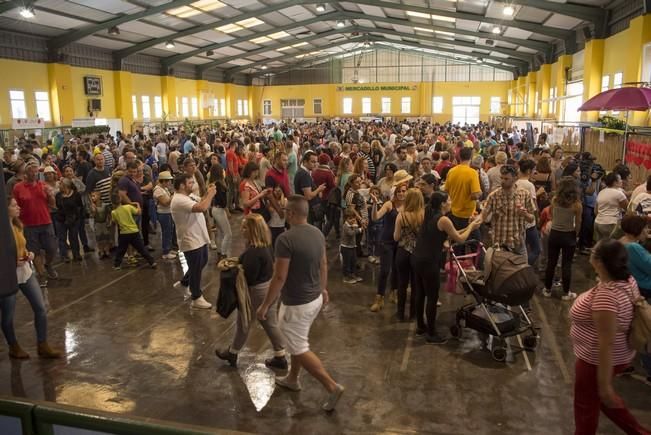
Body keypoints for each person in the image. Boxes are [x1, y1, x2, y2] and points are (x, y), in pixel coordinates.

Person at [256, 195, 344, 412]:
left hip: (296, 304)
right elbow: (323, 264)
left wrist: (265, 305)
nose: (284, 213)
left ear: (292, 213)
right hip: (314, 299)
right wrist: (322, 289)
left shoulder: (285, 239)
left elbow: (279, 277)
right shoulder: (317, 233)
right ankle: (293, 379)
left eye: (286, 210)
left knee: (299, 347)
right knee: (297, 342)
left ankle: (332, 387)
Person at [570, 239, 650, 435]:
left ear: (599, 261)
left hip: (595, 360)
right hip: (618, 355)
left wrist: (605, 384)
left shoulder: (607, 296)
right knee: (601, 400)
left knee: (585, 409)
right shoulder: (627, 280)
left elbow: (605, 343)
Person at [216, 214, 287, 370]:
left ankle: (233, 353)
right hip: (270, 287)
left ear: (253, 230)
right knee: (270, 324)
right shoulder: (266, 246)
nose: (241, 230)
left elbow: (248, 277)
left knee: (244, 322)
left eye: (244, 227)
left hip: (257, 292)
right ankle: (280, 356)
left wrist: (233, 269)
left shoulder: (253, 252)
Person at [412, 192, 482, 343]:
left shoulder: (431, 215)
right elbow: (460, 239)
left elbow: (451, 235)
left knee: (420, 294)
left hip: (417, 258)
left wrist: (468, 227)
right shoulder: (444, 219)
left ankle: (421, 326)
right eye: (449, 199)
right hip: (429, 261)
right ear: (443, 203)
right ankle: (431, 333)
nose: (451, 201)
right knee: (432, 297)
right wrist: (472, 226)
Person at [3, 198, 61, 359]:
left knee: (40, 308)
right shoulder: (3, 229)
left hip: (25, 272)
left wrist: (30, 254)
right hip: (8, 275)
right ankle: (13, 345)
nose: (18, 208)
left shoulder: (17, 225)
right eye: (14, 205)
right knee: (8, 316)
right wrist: (9, 261)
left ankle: (42, 344)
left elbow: (22, 246)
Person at [170, 173, 216, 309]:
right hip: (190, 239)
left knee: (202, 261)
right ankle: (196, 297)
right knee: (196, 267)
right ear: (182, 185)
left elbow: (201, 200)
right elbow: (202, 207)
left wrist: (208, 192)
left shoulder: (187, 196)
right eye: (190, 183)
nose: (193, 185)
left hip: (198, 236)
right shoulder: (178, 199)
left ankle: (184, 283)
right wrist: (211, 195)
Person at [12, 160, 58, 287]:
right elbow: (15, 206)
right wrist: (17, 223)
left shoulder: (43, 186)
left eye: (35, 171)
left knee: (52, 248)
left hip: (45, 221)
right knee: (35, 251)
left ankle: (48, 264)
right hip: (28, 225)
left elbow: (53, 205)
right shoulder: (18, 188)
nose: (34, 174)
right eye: (31, 171)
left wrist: (51, 196)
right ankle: (41, 274)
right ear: (25, 173)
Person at [368, 174, 410, 312]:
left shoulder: (408, 206)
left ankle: (394, 293)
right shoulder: (388, 204)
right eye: (399, 191)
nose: (402, 193)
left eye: (404, 191)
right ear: (394, 192)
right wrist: (374, 203)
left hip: (401, 242)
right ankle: (379, 298)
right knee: (385, 270)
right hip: (387, 242)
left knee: (397, 269)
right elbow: (375, 217)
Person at [481, 165, 536, 256]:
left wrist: (525, 214)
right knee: (499, 269)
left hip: (518, 243)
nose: (502, 181)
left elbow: (532, 219)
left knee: (523, 269)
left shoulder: (524, 194)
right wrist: (475, 220)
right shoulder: (494, 196)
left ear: (515, 178)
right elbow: (483, 216)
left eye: (506, 179)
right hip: (500, 245)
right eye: (501, 178)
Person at [543, 177, 582, 301]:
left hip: (555, 234)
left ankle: (547, 289)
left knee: (551, 263)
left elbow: (553, 215)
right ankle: (566, 293)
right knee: (566, 264)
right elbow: (579, 222)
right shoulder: (577, 205)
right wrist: (576, 234)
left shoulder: (555, 200)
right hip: (569, 234)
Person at [393, 188, 424, 321]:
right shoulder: (424, 216)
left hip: (403, 252)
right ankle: (414, 314)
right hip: (418, 254)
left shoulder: (401, 215)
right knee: (416, 285)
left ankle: (400, 314)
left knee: (402, 284)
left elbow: (396, 237)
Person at [444, 147, 481, 238]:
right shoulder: (472, 173)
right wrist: (480, 192)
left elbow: (446, 190)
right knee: (476, 243)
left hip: (453, 212)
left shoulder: (451, 171)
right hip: (467, 215)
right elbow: (475, 195)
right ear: (471, 157)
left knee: (457, 242)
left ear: (459, 157)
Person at [111, 198, 156, 270]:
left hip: (124, 233)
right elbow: (139, 212)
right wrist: (137, 204)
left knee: (121, 250)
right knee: (141, 248)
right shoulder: (128, 207)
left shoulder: (114, 212)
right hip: (134, 231)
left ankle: (117, 265)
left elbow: (115, 222)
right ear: (120, 200)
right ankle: (152, 262)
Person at [294, 151, 325, 228]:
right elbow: (308, 196)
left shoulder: (303, 172)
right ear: (305, 162)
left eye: (316, 162)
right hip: (308, 210)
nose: (315, 164)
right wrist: (319, 189)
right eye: (313, 162)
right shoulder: (304, 174)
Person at [207, 162, 232, 260]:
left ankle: (219, 252)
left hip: (214, 209)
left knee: (221, 233)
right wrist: (227, 211)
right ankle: (223, 254)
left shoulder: (213, 184)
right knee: (228, 233)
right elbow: (223, 202)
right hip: (219, 209)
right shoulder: (219, 185)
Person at [594, 172, 628, 242]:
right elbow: (628, 208)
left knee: (601, 247)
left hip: (598, 223)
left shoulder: (601, 192)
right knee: (612, 247)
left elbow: (595, 211)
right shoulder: (619, 193)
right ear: (615, 182)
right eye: (620, 179)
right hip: (611, 224)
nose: (621, 181)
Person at [153, 171, 176, 260]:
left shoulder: (164, 189)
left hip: (168, 213)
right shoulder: (158, 190)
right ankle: (166, 251)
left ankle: (169, 249)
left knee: (169, 232)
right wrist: (173, 196)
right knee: (166, 232)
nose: (170, 183)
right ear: (164, 181)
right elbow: (165, 203)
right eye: (168, 181)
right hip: (163, 214)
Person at [341, 208, 362, 284]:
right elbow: (351, 233)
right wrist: (358, 228)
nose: (352, 220)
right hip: (346, 248)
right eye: (350, 218)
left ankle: (353, 274)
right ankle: (346, 277)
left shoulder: (352, 224)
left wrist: (356, 225)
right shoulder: (345, 226)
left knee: (353, 261)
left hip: (352, 247)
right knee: (347, 263)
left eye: (353, 218)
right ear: (345, 219)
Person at [90, 190, 111, 260]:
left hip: (104, 223)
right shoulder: (92, 206)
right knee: (99, 239)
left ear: (99, 196)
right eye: (91, 196)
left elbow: (108, 214)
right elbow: (92, 216)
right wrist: (94, 210)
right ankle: (101, 251)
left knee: (106, 238)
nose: (92, 198)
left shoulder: (104, 205)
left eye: (94, 196)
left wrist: (109, 221)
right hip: (97, 224)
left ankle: (107, 251)